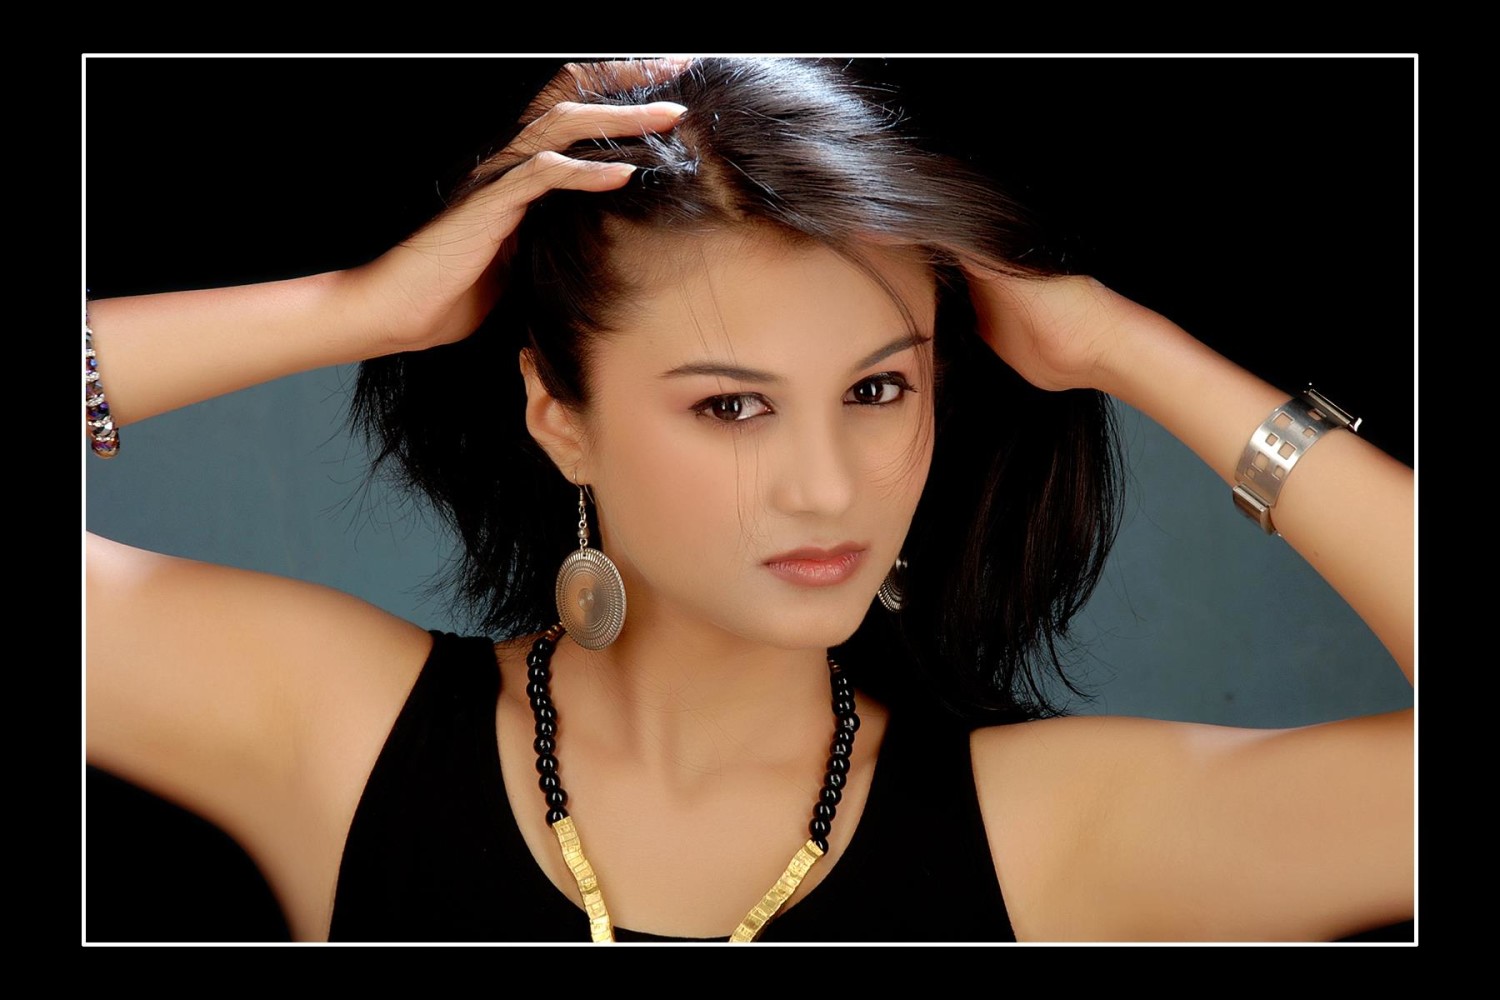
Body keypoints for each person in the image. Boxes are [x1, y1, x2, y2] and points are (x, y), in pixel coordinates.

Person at [84, 57, 1415, 943]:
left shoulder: (1054, 834)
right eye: (731, 406)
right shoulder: (333, 733)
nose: (829, 486)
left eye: (879, 389)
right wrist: (361, 309)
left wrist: (1127, 349)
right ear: (558, 414)